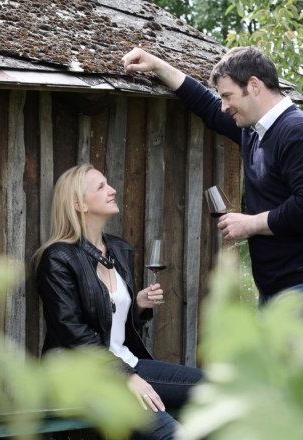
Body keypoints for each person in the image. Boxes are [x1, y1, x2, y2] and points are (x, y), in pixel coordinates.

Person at [121, 47, 303, 359]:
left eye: (229, 96)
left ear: (254, 85)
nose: (225, 105)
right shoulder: (256, 133)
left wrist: (250, 223)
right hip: (282, 289)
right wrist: (157, 66)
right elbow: (207, 106)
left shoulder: (298, 131)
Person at [33, 164, 203, 439]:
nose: (112, 190)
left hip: (126, 363)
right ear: (79, 203)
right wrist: (127, 377)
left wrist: (136, 306)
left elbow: (110, 324)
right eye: (101, 187)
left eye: (108, 183)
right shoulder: (57, 258)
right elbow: (74, 335)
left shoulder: (118, 249)